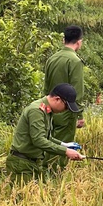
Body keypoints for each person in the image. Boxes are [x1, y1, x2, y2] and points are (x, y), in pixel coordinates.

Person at [4, 83, 85, 184]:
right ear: (57, 99)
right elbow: (38, 140)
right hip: (22, 164)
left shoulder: (47, 111)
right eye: (66, 106)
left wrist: (64, 145)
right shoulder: (36, 111)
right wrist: (65, 151)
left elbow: (46, 136)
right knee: (23, 198)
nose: (66, 110)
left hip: (34, 162)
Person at [43, 25, 85, 169]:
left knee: (49, 142)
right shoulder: (74, 61)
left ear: (63, 40)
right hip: (66, 112)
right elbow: (76, 93)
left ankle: (45, 169)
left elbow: (46, 87)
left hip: (50, 108)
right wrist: (79, 115)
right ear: (79, 42)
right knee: (63, 146)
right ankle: (54, 173)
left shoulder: (52, 59)